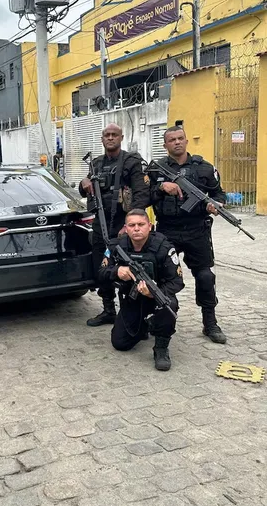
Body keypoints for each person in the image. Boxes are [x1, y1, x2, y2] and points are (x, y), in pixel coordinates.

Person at [150, 126, 227, 344]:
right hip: (167, 229)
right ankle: (155, 319)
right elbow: (145, 197)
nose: (177, 142)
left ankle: (210, 323)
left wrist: (217, 204)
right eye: (172, 140)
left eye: (180, 138)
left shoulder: (204, 168)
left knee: (205, 276)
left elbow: (219, 192)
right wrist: (161, 188)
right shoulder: (156, 170)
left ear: (186, 141)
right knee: (158, 277)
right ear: (165, 145)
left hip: (197, 230)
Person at [80, 124, 151, 327]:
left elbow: (141, 194)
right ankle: (108, 309)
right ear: (102, 139)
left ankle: (134, 311)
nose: (110, 138)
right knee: (101, 266)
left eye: (114, 135)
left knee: (129, 266)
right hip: (101, 223)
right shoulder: (96, 163)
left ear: (121, 137)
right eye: (106, 135)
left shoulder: (132, 161)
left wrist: (130, 224)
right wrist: (84, 181)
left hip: (123, 223)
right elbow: (85, 188)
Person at [100, 209, 184, 371]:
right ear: (126, 228)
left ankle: (160, 348)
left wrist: (153, 292)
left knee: (169, 305)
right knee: (120, 344)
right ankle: (145, 325)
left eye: (141, 224)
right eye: (132, 225)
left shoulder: (163, 247)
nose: (136, 228)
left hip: (157, 298)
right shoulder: (116, 246)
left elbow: (177, 282)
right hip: (132, 298)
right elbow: (101, 273)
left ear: (149, 226)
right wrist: (117, 271)